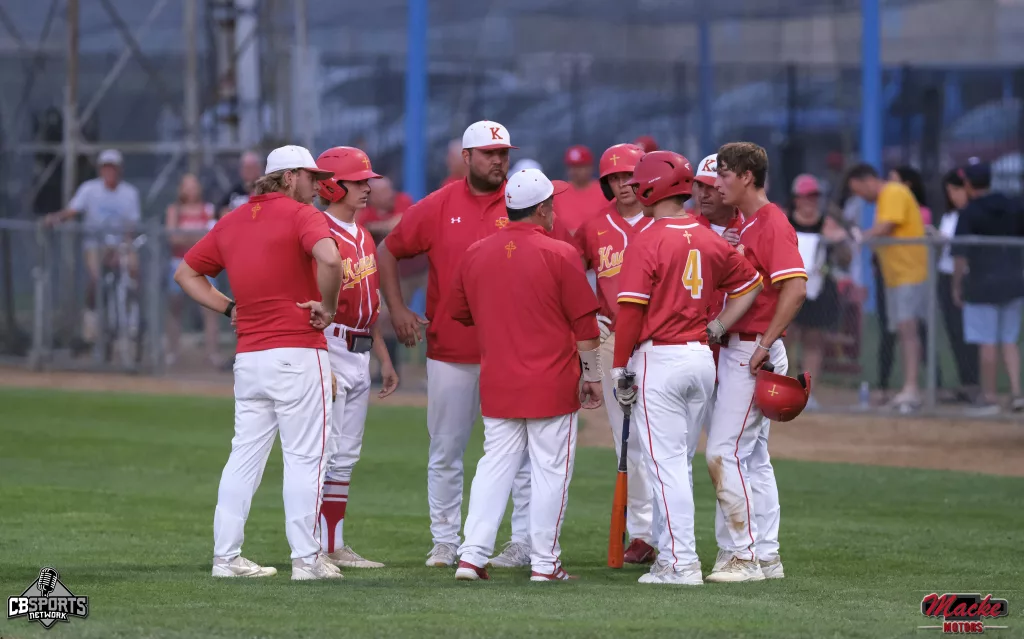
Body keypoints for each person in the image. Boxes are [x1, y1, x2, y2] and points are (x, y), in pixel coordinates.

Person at [174, 144, 344, 581]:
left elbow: (186, 274)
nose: (317, 185)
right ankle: (306, 560)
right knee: (305, 459)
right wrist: (328, 307)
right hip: (298, 352)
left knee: (243, 459)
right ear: (288, 177)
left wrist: (230, 308)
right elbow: (330, 258)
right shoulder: (304, 215)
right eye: (310, 176)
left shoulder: (232, 220)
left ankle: (225, 557)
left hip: (250, 357)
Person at [377, 120, 535, 569]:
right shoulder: (440, 204)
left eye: (503, 153)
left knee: (519, 455)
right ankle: (445, 541)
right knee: (446, 450)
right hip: (451, 348)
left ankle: (522, 542)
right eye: (489, 153)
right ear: (466, 158)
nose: (499, 161)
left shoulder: (522, 201)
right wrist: (398, 309)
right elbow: (387, 250)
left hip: (513, 350)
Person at [612, 150, 763, 585]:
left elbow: (630, 313)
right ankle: (674, 556)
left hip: (660, 358)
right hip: (700, 358)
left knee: (667, 466)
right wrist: (719, 325)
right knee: (676, 463)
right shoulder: (708, 237)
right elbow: (750, 284)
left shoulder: (648, 239)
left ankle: (680, 563)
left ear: (651, 188)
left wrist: (620, 366)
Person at [450, 168, 603, 582]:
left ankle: (471, 557)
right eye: (551, 204)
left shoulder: (476, 252)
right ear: (542, 209)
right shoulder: (560, 253)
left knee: (493, 468)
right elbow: (586, 326)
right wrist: (593, 376)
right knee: (550, 472)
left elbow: (459, 311)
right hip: (551, 382)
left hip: (499, 380)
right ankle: (545, 564)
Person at [706, 142, 807, 583]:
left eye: (724, 173)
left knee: (722, 451)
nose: (717, 183)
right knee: (753, 458)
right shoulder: (746, 224)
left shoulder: (772, 222)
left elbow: (796, 289)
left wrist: (765, 343)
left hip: (752, 351)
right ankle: (766, 556)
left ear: (747, 176)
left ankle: (742, 557)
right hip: (746, 347)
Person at [313, 146, 401, 571]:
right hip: (328, 346)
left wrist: (383, 357)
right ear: (333, 185)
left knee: (346, 455)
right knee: (322, 453)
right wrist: (319, 360)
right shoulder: (318, 232)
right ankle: (310, 547)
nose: (367, 187)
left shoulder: (363, 234)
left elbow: (372, 306)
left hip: (359, 350)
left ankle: (334, 544)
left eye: (368, 181)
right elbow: (308, 301)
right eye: (358, 181)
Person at [570, 142, 657, 565]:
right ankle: (642, 532)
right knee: (627, 441)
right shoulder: (594, 226)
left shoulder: (664, 220)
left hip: (660, 342)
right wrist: (589, 319)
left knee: (661, 439)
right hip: (612, 343)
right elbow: (569, 275)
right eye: (615, 178)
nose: (624, 184)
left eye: (630, 176)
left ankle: (667, 529)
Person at [848, 163, 928, 411]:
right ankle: (908, 388)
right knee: (903, 332)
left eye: (859, 190)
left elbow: (888, 225)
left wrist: (862, 237)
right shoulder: (885, 198)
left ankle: (912, 389)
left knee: (908, 330)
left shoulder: (893, 191)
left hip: (908, 274)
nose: (861, 197)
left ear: (868, 181)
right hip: (895, 276)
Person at [44, 149, 141, 348]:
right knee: (96, 279)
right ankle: (91, 323)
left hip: (120, 244)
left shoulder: (130, 193)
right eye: (106, 167)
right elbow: (72, 210)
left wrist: (122, 248)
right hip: (95, 244)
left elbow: (131, 227)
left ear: (119, 169)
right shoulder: (89, 189)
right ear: (100, 169)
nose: (109, 172)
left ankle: (132, 319)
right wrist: (55, 218)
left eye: (113, 167)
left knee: (132, 269)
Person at [952, 161, 1024, 414]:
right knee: (1009, 341)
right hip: (1014, 282)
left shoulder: (969, 212)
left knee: (987, 342)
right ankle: (1017, 394)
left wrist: (956, 285)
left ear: (968, 184)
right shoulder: (1013, 205)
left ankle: (990, 397)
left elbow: (960, 255)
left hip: (981, 285)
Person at [785, 174, 851, 410]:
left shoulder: (827, 224)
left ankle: (806, 392)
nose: (810, 202)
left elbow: (845, 259)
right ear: (796, 199)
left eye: (814, 197)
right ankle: (778, 387)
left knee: (814, 341)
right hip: (788, 289)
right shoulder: (785, 222)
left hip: (819, 290)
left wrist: (839, 240)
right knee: (785, 338)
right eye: (806, 197)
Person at [165, 173, 222, 368]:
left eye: (194, 185)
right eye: (186, 185)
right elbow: (173, 238)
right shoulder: (174, 210)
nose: (190, 189)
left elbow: (211, 237)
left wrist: (187, 238)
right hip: (178, 263)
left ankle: (212, 353)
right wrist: (197, 238)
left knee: (211, 308)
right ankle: (172, 352)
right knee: (175, 307)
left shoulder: (207, 209)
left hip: (203, 266)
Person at [937, 170, 978, 401]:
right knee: (954, 333)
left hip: (967, 277)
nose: (953, 195)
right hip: (945, 274)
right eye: (949, 191)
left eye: (956, 190)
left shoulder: (973, 215)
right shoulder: (949, 216)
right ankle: (966, 382)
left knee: (969, 333)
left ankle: (975, 383)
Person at [554, 145, 607, 233]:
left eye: (580, 166)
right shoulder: (558, 194)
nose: (576, 171)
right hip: (566, 241)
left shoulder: (604, 191)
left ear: (590, 167)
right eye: (572, 167)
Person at [218, 151, 263, 218]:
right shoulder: (235, 192)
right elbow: (220, 211)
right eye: (246, 168)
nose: (249, 171)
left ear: (259, 169)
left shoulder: (265, 190)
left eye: (251, 168)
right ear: (241, 170)